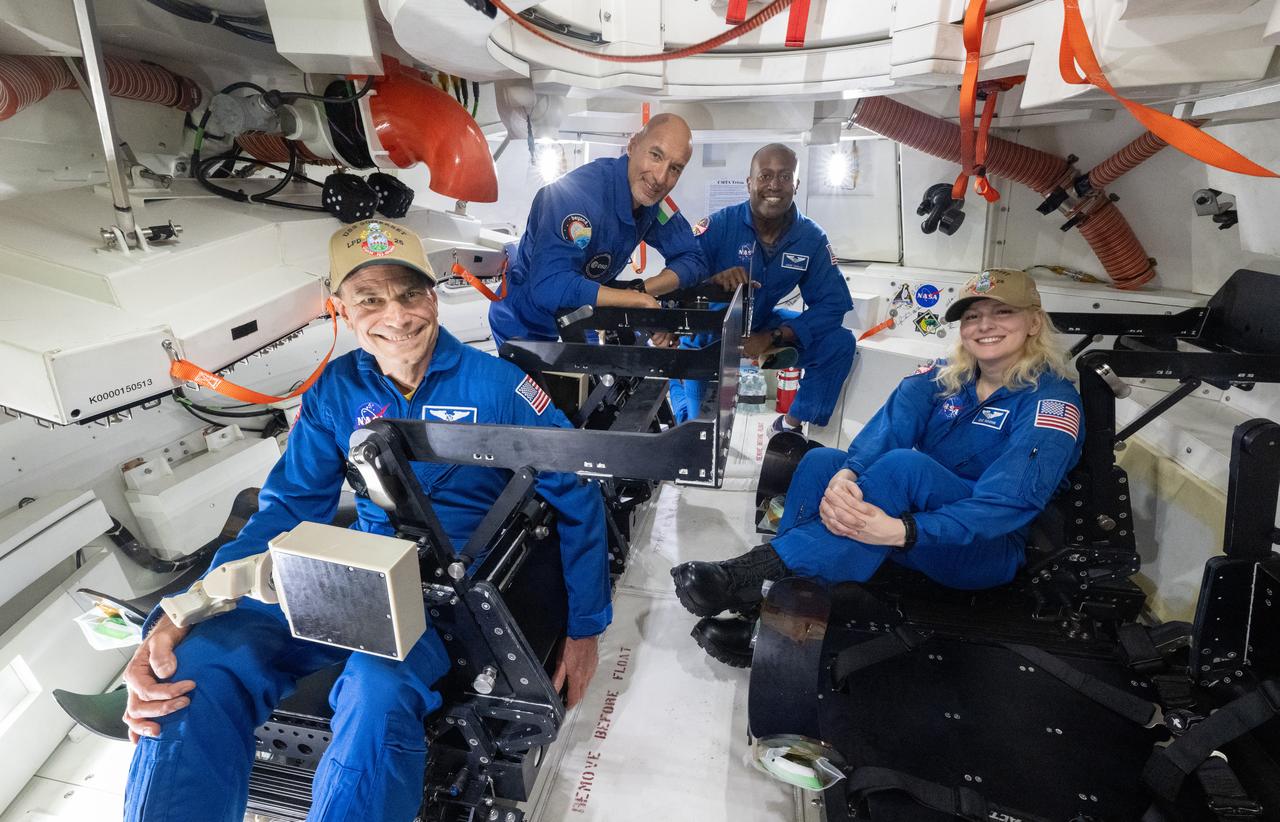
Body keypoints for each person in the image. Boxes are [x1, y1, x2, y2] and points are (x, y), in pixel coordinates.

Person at [122, 219, 611, 822]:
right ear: (342, 310)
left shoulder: (501, 387)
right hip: (353, 576)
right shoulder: (335, 390)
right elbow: (288, 508)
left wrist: (586, 628)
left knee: (376, 693)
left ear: (433, 295)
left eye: (410, 294)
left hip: (445, 595)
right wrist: (188, 611)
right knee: (196, 669)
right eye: (370, 299)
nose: (396, 315)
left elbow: (577, 496)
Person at [671, 268, 1084, 666]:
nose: (984, 325)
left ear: (1033, 323)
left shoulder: (1050, 404)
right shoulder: (947, 377)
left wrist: (905, 531)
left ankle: (747, 577)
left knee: (906, 466)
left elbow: (1007, 505)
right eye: (972, 316)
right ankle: (781, 610)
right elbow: (891, 426)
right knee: (822, 462)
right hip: (904, 527)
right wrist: (847, 477)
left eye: (1003, 312)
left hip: (977, 548)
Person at [668, 144, 855, 432]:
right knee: (698, 430)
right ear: (749, 183)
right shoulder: (718, 226)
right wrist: (713, 282)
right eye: (765, 176)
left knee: (839, 343)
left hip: (764, 323)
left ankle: (790, 426)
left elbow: (833, 305)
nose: (774, 186)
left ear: (796, 184)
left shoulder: (811, 238)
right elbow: (679, 281)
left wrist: (774, 336)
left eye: (784, 177)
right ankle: (680, 397)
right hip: (710, 331)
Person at [487, 113, 710, 347]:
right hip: (524, 321)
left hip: (580, 315)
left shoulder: (653, 203)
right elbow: (549, 286)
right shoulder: (577, 197)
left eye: (675, 169)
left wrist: (641, 292)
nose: (660, 178)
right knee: (542, 384)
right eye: (655, 155)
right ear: (633, 145)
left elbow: (693, 259)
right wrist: (633, 300)